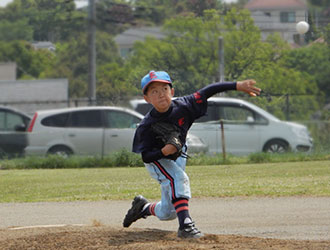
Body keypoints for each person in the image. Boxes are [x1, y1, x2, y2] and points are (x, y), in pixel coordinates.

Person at [123, 70, 261, 238]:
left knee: (168, 212)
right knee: (178, 179)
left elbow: (207, 91)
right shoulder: (146, 126)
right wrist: (163, 151)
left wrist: (237, 86)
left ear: (172, 92)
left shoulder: (184, 105)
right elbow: (145, 156)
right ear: (147, 99)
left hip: (179, 153)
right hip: (157, 159)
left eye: (164, 89)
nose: (161, 95)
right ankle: (186, 226)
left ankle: (142, 208)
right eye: (154, 92)